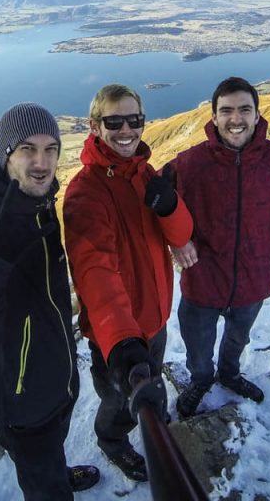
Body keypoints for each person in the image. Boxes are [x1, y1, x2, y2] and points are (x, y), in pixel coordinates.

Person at [0, 103, 99, 500]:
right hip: (20, 401)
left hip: (56, 381)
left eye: (51, 149)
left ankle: (55, 474)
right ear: (5, 154)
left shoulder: (40, 208)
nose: (41, 162)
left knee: (49, 457)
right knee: (42, 483)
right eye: (28, 149)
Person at [63, 84, 194, 482]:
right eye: (114, 121)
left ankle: (151, 412)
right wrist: (121, 340)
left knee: (148, 380)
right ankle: (112, 441)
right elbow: (95, 273)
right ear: (94, 125)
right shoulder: (85, 193)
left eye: (134, 120)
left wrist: (170, 206)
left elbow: (181, 235)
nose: (126, 131)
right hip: (116, 338)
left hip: (154, 320)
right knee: (120, 401)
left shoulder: (145, 175)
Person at [167, 76, 270, 419]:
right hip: (202, 283)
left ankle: (229, 374)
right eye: (227, 110)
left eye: (245, 109)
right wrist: (176, 240)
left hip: (253, 284)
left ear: (258, 115)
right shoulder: (189, 164)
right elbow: (155, 200)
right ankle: (201, 381)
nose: (236, 119)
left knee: (237, 339)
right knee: (198, 347)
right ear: (214, 117)